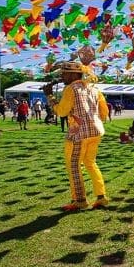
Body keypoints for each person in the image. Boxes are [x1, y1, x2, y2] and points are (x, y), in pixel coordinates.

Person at [43, 61, 109, 211]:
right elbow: (104, 112)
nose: (62, 76)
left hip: (79, 134)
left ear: (74, 74)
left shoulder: (70, 89)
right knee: (90, 163)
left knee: (74, 166)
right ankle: (101, 196)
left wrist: (49, 96)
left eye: (65, 73)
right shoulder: (94, 89)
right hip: (96, 131)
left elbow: (61, 112)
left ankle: (79, 200)